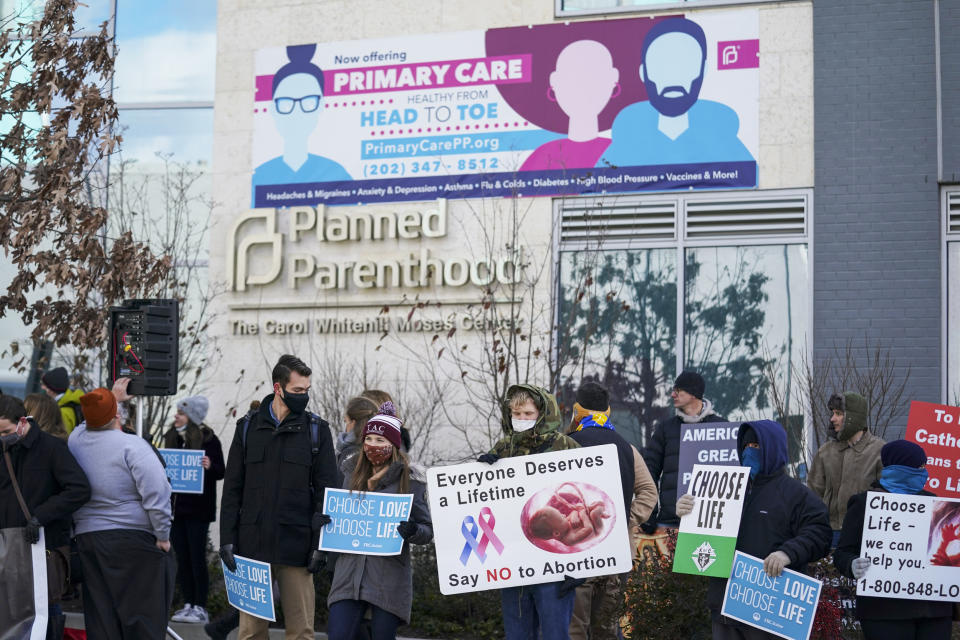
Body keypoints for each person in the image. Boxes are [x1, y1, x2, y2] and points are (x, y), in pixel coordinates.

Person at [676, 420, 831, 639]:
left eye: (756, 447)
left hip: (768, 608)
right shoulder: (722, 488)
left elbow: (820, 534)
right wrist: (688, 512)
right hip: (724, 605)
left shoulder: (796, 494)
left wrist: (787, 553)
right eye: (746, 447)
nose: (749, 452)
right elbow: (705, 539)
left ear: (773, 449)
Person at [220, 354, 338, 640]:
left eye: (307, 390)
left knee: (301, 632)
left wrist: (321, 546)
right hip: (253, 547)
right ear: (278, 387)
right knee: (250, 633)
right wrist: (226, 539)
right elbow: (232, 488)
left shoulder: (316, 431)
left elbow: (327, 493)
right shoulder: (247, 428)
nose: (304, 396)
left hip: (296, 546)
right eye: (298, 391)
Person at [69, 387, 175, 640]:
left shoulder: (76, 441)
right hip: (133, 540)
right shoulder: (133, 446)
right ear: (117, 415)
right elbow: (157, 494)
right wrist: (162, 535)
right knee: (142, 618)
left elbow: (89, 420)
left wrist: (109, 401)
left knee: (102, 618)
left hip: (89, 540)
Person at [478, 384, 581, 640]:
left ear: (542, 413)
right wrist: (482, 470)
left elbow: (582, 498)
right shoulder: (503, 447)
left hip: (556, 562)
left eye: (527, 413)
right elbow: (486, 500)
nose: (521, 419)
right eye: (516, 414)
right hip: (515, 563)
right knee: (517, 635)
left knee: (556, 634)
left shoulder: (565, 446)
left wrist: (580, 566)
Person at [326, 402, 433, 640]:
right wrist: (325, 521)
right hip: (349, 575)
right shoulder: (350, 474)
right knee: (339, 634)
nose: (373, 445)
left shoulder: (410, 480)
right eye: (370, 439)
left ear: (393, 445)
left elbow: (427, 530)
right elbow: (339, 519)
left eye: (380, 441)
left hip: (388, 577)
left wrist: (413, 530)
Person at [565, 381, 657, 640]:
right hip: (615, 557)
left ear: (577, 411)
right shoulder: (626, 448)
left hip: (576, 555)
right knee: (606, 629)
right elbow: (649, 492)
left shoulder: (565, 446)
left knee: (575, 629)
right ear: (608, 411)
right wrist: (623, 520)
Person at [598, 17, 754, 169]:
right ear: (643, 73)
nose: (673, 78)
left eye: (685, 65)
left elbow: (752, 181)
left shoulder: (724, 144)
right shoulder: (625, 147)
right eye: (662, 65)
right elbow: (594, 187)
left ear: (703, 70)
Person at [833, 440, 951, 639]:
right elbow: (842, 553)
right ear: (901, 468)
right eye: (919, 467)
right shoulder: (865, 503)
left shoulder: (934, 502)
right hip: (883, 612)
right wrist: (852, 564)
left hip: (932, 611)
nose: (925, 472)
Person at [0, 395, 90, 640]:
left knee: (45, 606)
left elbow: (79, 489)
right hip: (9, 542)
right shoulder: (6, 448)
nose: (2, 437)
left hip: (43, 545)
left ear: (22, 421)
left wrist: (41, 516)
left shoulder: (52, 448)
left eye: (6, 431)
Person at [251, 43, 351, 204]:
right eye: (286, 102)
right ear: (272, 108)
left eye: (308, 101)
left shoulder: (338, 174)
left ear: (321, 105)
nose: (297, 112)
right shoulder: (259, 178)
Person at [164, 396, 225, 625]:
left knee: (197, 558)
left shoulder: (209, 440)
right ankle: (188, 603)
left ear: (192, 417)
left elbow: (221, 471)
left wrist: (210, 466)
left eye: (180, 412)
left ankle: (200, 605)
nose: (176, 416)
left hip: (198, 511)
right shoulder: (171, 437)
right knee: (182, 558)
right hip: (176, 510)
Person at [641, 371, 725, 533]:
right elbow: (648, 473)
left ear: (693, 394)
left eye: (679, 391)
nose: (673, 394)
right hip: (670, 521)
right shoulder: (665, 429)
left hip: (710, 524)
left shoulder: (722, 428)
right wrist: (649, 517)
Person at [520, 40, 618, 171]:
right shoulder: (544, 156)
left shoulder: (618, 152)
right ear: (554, 82)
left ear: (613, 79)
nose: (582, 88)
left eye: (593, 78)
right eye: (572, 79)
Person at [807, 391, 884, 544]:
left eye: (839, 413)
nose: (832, 419)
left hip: (865, 536)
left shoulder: (880, 451)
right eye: (832, 413)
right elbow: (812, 495)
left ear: (853, 417)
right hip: (829, 533)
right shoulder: (825, 452)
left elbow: (886, 499)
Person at [337, 395, 379, 482]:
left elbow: (339, 487)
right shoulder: (385, 451)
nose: (345, 427)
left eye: (346, 421)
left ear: (353, 422)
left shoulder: (349, 453)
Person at [40, 366, 85, 434]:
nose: (42, 387)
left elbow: (62, 439)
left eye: (45, 386)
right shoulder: (70, 402)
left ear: (52, 389)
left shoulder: (63, 412)